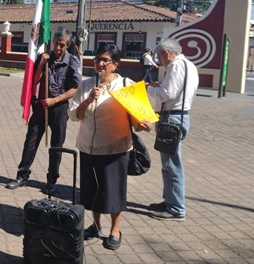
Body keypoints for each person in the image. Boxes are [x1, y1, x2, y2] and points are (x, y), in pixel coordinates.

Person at [68, 45, 151, 251]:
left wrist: (143, 123)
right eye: (97, 59)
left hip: (116, 148)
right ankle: (95, 226)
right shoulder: (86, 85)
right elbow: (72, 115)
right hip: (89, 145)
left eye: (105, 60)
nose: (100, 63)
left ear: (115, 64)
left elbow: (141, 122)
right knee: (92, 190)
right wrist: (88, 100)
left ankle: (115, 230)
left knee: (113, 192)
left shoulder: (127, 86)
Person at [5, 31, 82, 194]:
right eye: (56, 43)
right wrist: (42, 63)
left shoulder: (72, 61)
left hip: (59, 108)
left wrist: (54, 100)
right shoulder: (45, 57)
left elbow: (75, 89)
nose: (58, 47)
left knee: (56, 146)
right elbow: (34, 81)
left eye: (62, 45)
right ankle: (22, 175)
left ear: (67, 46)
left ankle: (51, 181)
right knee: (31, 140)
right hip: (41, 106)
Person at [147, 38, 199, 221]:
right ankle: (170, 201)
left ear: (167, 53)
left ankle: (176, 208)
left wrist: (149, 89)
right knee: (169, 164)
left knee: (172, 166)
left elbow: (167, 94)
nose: (159, 61)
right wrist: (159, 87)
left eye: (159, 57)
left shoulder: (176, 66)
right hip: (180, 116)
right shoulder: (189, 65)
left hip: (172, 118)